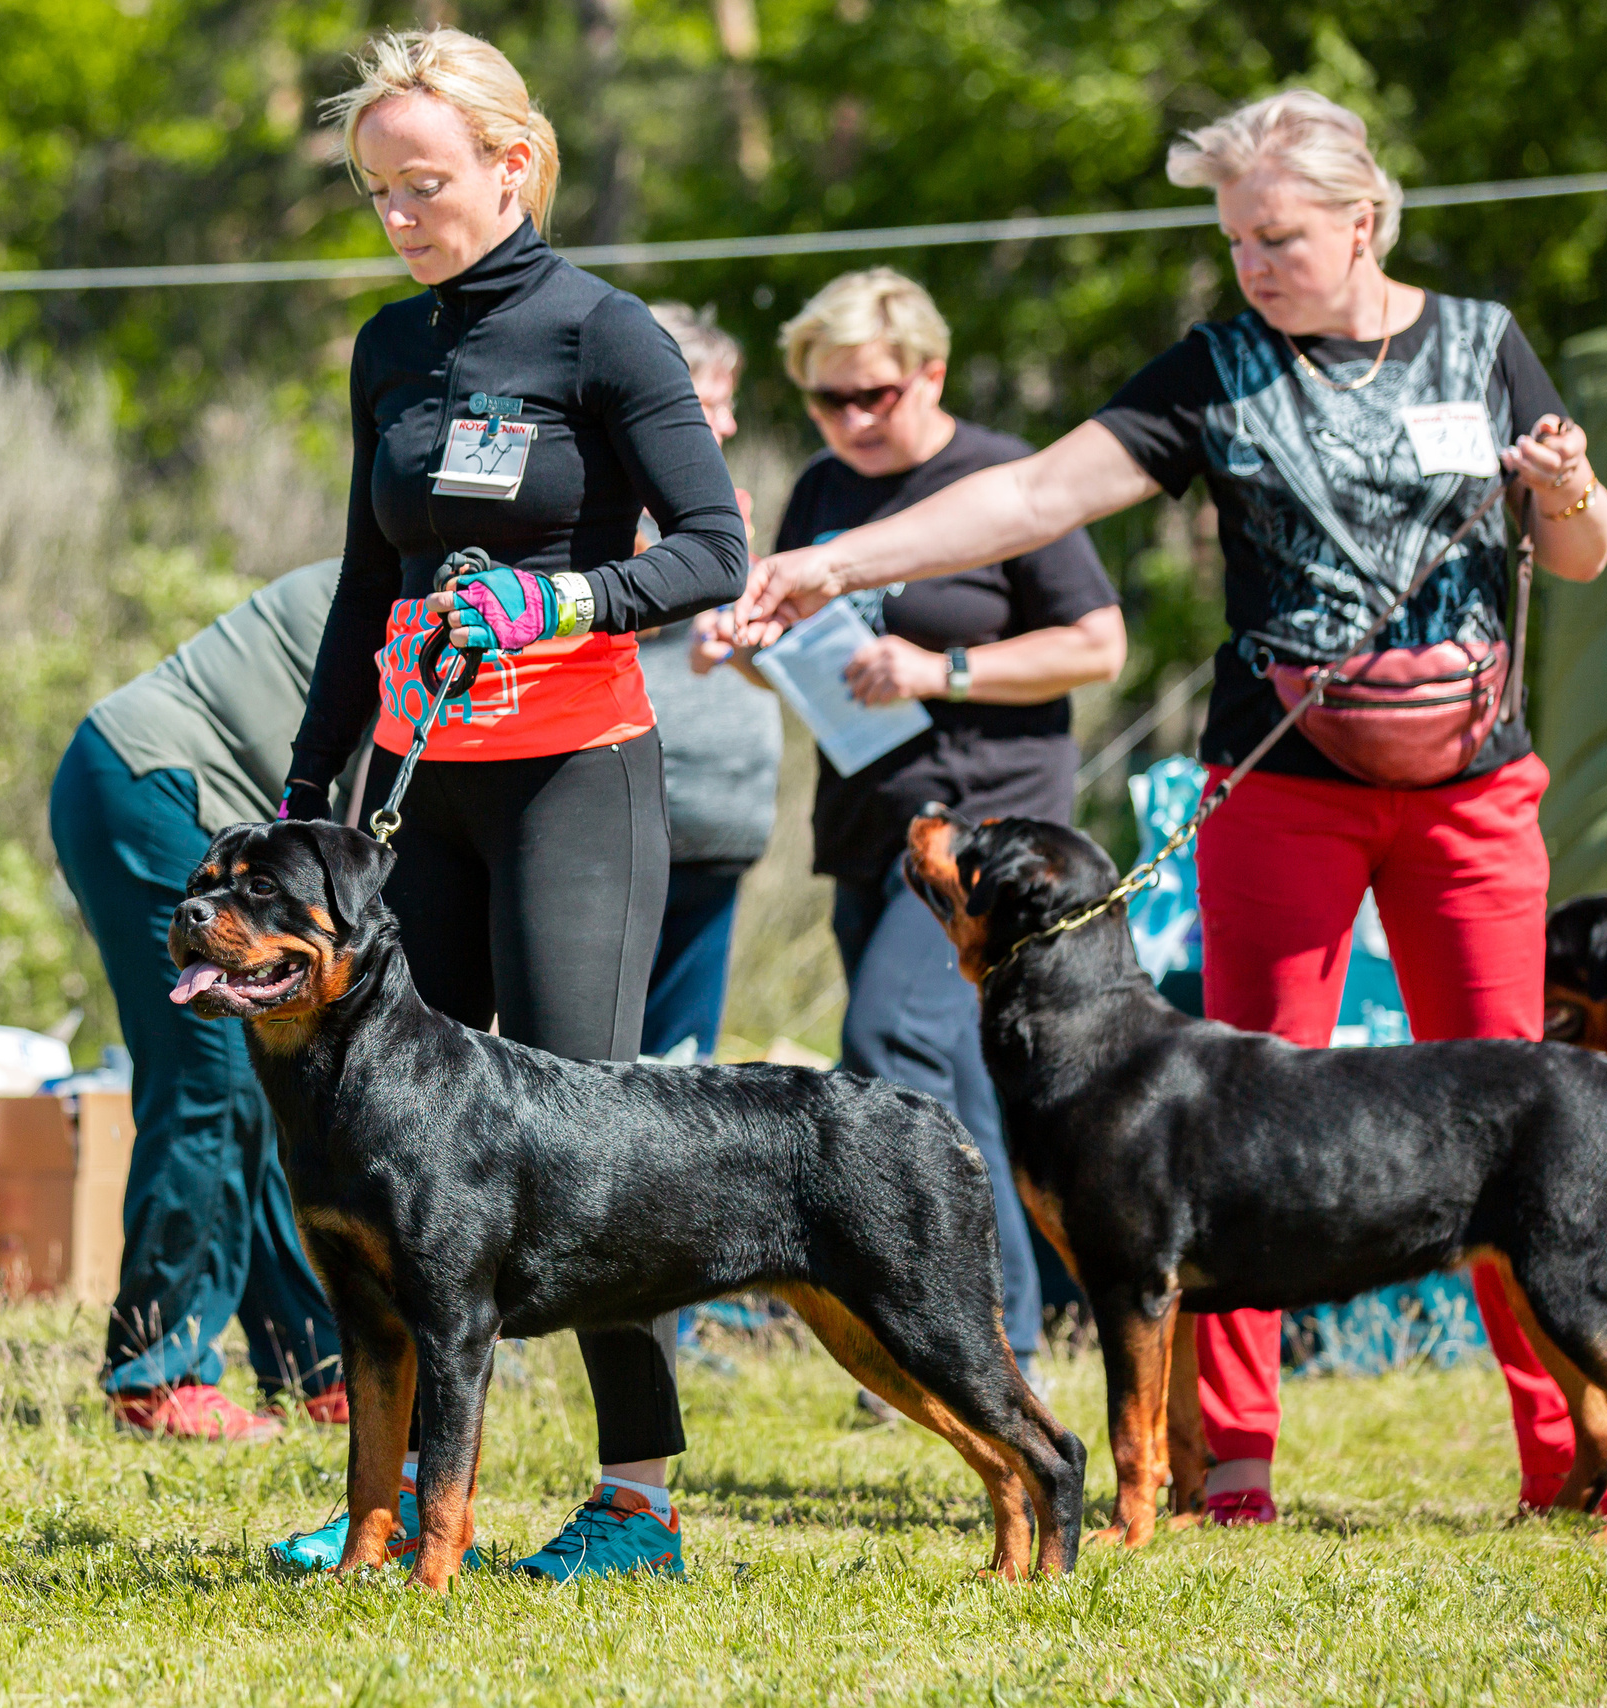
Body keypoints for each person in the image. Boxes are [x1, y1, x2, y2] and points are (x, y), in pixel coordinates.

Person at [738, 91, 1607, 1526]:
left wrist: (1571, 490)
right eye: (1237, 240)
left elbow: (1575, 559)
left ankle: (1563, 1463)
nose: (1256, 264)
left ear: (1364, 218)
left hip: (1470, 798)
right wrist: (840, 564)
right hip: (1280, 793)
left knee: (1505, 1120)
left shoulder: (1482, 343)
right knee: (1228, 1135)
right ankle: (1227, 1470)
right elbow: (1028, 494)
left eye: (1280, 237)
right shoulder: (1217, 368)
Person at [270, 27, 749, 1581]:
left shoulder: (607, 335)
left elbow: (714, 552)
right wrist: (306, 789)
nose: (404, 215)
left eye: (428, 184)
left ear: (511, 165)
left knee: (584, 1138)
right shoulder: (388, 349)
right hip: (421, 797)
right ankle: (400, 1500)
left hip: (574, 786)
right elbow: (366, 585)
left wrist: (570, 604)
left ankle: (638, 1501)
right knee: (395, 1143)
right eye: (379, 192)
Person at [756, 266, 1125, 1395]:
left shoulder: (1004, 480)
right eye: (828, 401)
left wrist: (942, 665)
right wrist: (749, 646)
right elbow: (807, 633)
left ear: (931, 372)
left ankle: (973, 1342)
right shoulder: (820, 487)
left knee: (890, 1055)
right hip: (868, 824)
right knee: (954, 1095)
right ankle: (987, 1342)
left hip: (987, 841)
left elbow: (1097, 645)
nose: (853, 420)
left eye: (873, 394)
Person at [48, 562, 353, 1444]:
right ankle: (158, 1373)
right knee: (214, 1081)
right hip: (159, 782)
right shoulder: (436, 579)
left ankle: (314, 1359)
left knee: (252, 1087)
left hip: (142, 776)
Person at [635, 303, 782, 1062]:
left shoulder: (728, 504)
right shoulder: (601, 494)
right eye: (707, 403)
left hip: (721, 823)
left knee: (682, 1066)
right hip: (627, 822)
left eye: (729, 404)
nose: (724, 426)